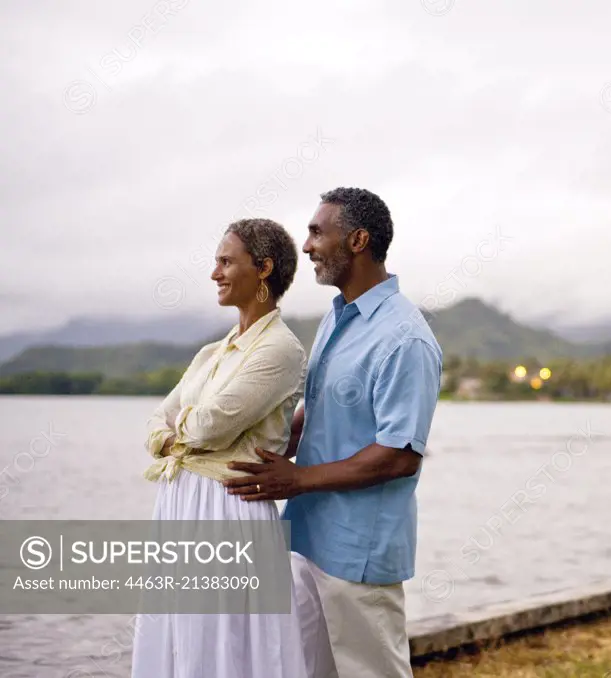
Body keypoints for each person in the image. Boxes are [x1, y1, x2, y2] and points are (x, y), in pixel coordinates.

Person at [224, 187, 443, 677]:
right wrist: (242, 450)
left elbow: (399, 455)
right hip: (306, 536)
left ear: (359, 240)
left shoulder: (405, 338)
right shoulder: (336, 318)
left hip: (358, 552)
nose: (306, 246)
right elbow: (316, 413)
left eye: (317, 232)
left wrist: (296, 479)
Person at [132, 218, 309, 678]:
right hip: (179, 501)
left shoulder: (281, 351)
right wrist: (174, 436)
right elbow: (156, 423)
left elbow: (208, 427)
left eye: (226, 261)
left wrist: (177, 437)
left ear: (264, 268)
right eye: (216, 262)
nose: (215, 273)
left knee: (225, 645)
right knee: (178, 639)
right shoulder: (210, 353)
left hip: (229, 509)